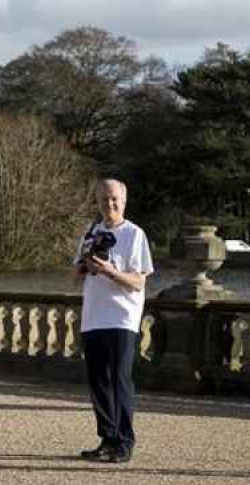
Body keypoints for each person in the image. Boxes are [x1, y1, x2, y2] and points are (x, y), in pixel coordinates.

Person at [73, 178, 153, 463]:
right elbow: (74, 280)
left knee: (119, 379)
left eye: (114, 199)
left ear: (124, 200)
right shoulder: (90, 233)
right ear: (97, 201)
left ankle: (124, 442)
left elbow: (138, 282)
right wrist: (85, 267)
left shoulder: (135, 234)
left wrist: (109, 271)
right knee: (98, 382)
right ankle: (107, 439)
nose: (109, 204)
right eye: (104, 199)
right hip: (93, 317)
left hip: (122, 316)